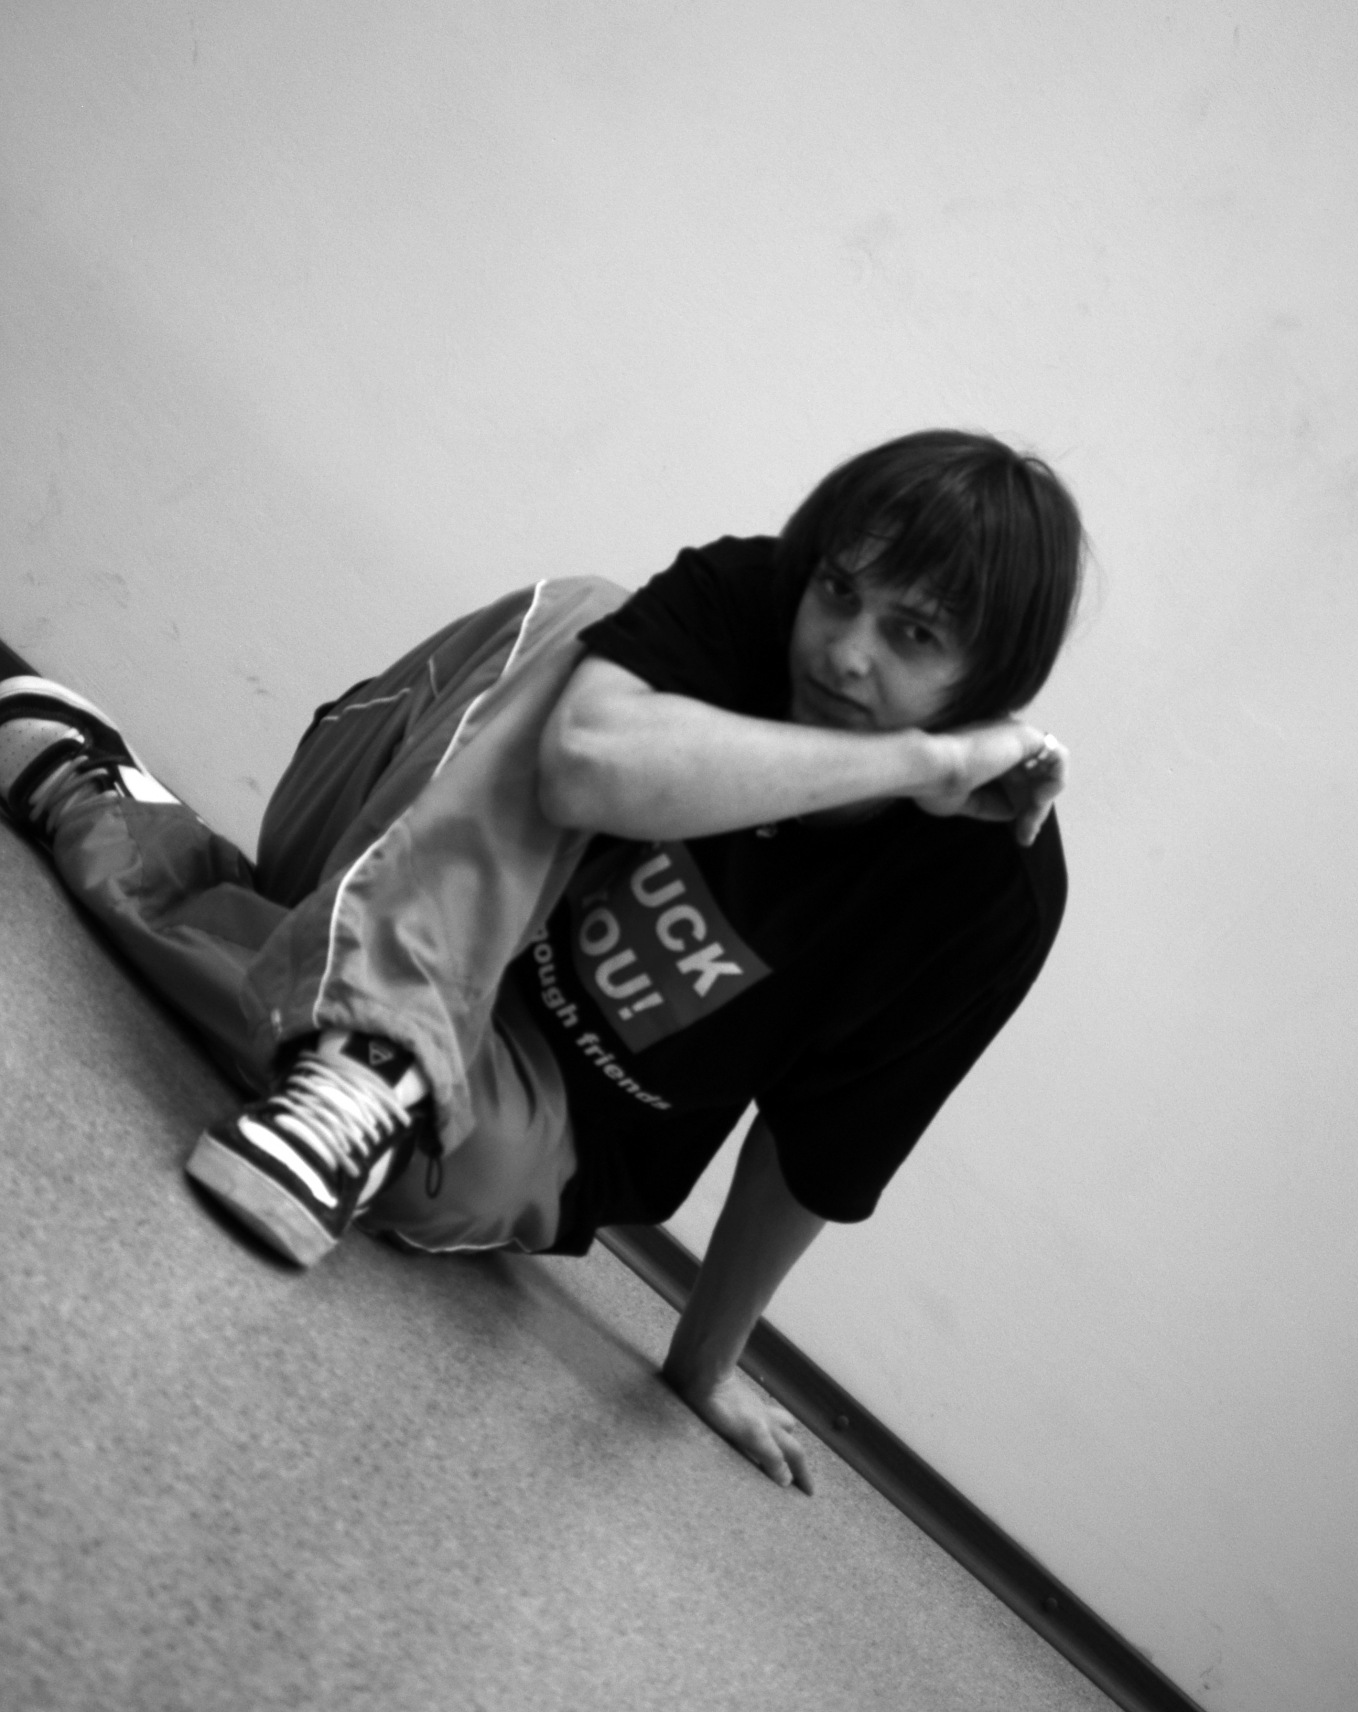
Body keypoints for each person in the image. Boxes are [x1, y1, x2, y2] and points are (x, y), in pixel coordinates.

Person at [0, 428, 1084, 1493]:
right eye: (839, 591)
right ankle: (370, 1052)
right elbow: (582, 764)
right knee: (584, 628)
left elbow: (821, 1145)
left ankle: (105, 800)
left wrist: (701, 1366)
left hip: (551, 1095)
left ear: (990, 682)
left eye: (912, 635)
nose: (846, 649)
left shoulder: (991, 897)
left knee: (434, 1178)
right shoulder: (747, 594)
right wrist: (915, 761)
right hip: (390, 838)